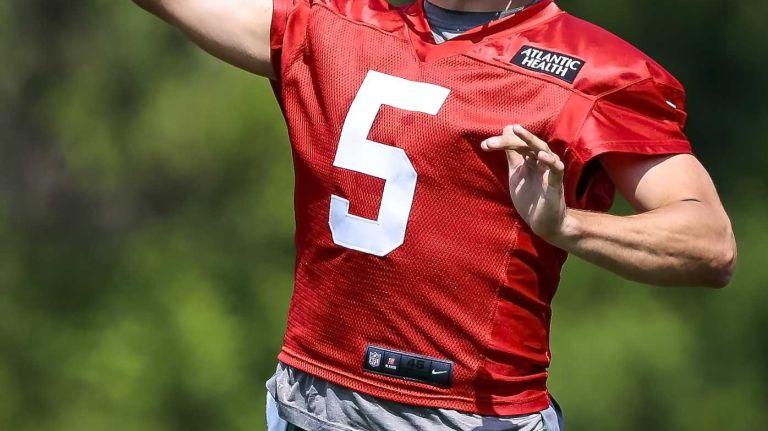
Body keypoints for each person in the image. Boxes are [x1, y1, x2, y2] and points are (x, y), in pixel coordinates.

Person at [133, 0, 737, 430]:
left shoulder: (592, 71)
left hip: (469, 415)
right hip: (311, 401)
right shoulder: (330, 23)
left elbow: (709, 243)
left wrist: (568, 226)